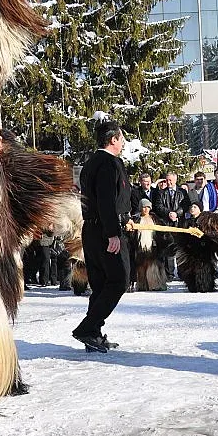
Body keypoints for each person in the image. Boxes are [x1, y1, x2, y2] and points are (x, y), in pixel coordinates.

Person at [72, 119, 132, 352]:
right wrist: (113, 233)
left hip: (92, 229)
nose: (123, 143)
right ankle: (88, 328)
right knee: (119, 280)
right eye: (122, 139)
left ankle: (93, 335)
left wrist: (125, 219)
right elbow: (106, 200)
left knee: (99, 284)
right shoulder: (108, 163)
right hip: (106, 231)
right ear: (113, 139)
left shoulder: (90, 163)